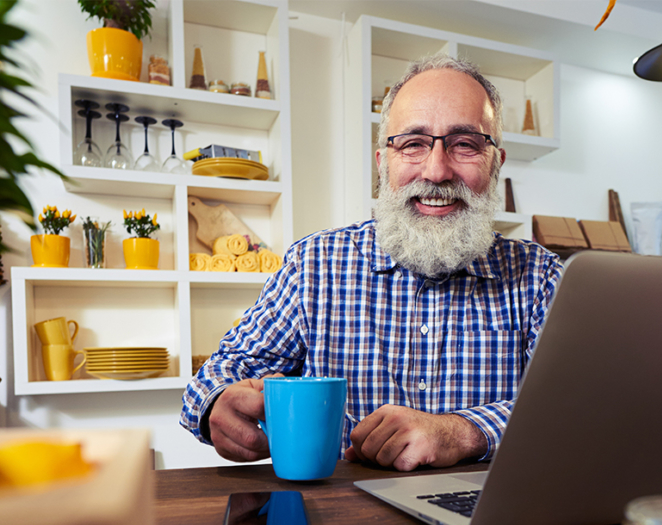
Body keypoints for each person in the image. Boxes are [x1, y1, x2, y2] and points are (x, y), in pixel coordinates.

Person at [181, 54, 562, 472]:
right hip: (343, 520)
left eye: (465, 144)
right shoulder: (315, 266)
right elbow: (219, 374)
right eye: (414, 143)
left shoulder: (540, 276)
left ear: (495, 166)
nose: (436, 171)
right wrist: (220, 401)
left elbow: (585, 401)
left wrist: (461, 432)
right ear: (383, 164)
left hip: (491, 519)